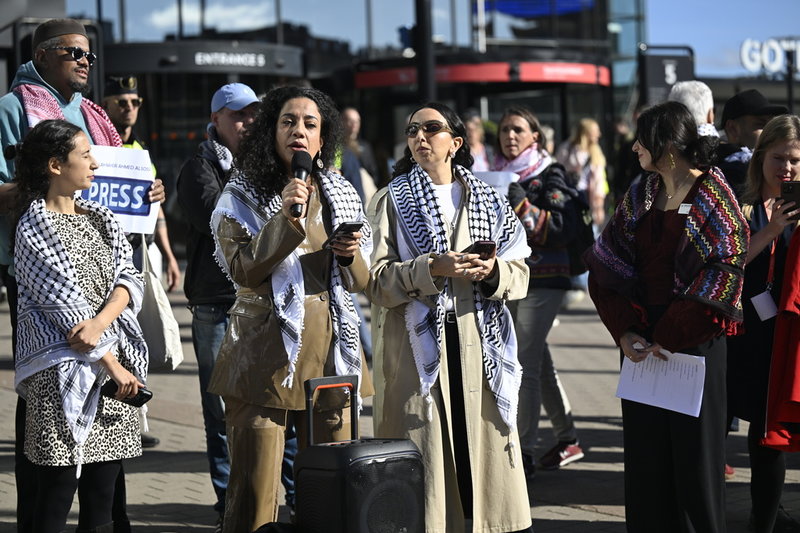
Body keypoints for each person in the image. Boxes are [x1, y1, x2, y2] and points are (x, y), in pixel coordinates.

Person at [0, 18, 164, 533]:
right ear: (44, 55)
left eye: (90, 55)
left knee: (106, 440)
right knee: (49, 411)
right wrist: (38, 191)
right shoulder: (14, 107)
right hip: (43, 270)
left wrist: (143, 192)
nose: (85, 61)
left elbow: (105, 177)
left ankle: (110, 519)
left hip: (99, 266)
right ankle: (37, 517)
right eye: (73, 52)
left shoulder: (92, 115)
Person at [208, 85, 373, 532]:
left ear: (323, 140)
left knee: (331, 491)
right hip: (263, 358)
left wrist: (347, 255)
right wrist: (286, 218)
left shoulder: (340, 192)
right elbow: (243, 270)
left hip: (330, 358)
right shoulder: (240, 194)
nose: (299, 130)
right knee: (255, 496)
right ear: (270, 131)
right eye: (288, 121)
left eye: (310, 123)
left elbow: (362, 282)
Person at [368, 102, 533, 533]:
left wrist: (493, 271)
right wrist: (429, 270)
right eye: (411, 130)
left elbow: (520, 272)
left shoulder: (489, 200)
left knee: (479, 457)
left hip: (480, 348)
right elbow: (374, 281)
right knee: (427, 461)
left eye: (431, 128)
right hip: (418, 357)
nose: (419, 136)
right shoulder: (390, 200)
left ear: (455, 142)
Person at [585, 100, 749, 532]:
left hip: (694, 342)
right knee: (646, 462)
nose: (635, 147)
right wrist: (624, 331)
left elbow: (725, 270)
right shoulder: (641, 192)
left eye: (643, 138)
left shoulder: (714, 196)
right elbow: (605, 264)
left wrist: (672, 333)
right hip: (640, 345)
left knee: (696, 463)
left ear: (668, 146)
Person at [11, 119, 148, 533]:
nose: (94, 162)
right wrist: (113, 365)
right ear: (55, 165)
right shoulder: (33, 228)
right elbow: (67, 313)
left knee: (101, 501)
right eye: (84, 154)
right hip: (59, 380)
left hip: (111, 376)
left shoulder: (101, 218)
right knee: (53, 497)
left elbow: (130, 276)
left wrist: (104, 328)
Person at [176, 82, 258, 530]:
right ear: (218, 121)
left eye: (253, 115)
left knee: (269, 405)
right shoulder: (198, 167)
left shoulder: (266, 165)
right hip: (216, 305)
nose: (248, 123)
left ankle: (283, 494)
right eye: (239, 115)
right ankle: (229, 499)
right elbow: (215, 217)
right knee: (221, 411)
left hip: (259, 301)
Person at [493, 106, 585, 474]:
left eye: (517, 130)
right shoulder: (495, 173)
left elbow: (560, 227)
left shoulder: (550, 173)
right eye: (504, 130)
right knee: (537, 361)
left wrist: (519, 203)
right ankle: (568, 439)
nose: (509, 136)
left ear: (535, 136)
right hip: (509, 279)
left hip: (544, 281)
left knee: (522, 364)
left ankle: (523, 452)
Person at [727, 114, 800, 533]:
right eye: (778, 158)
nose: (786, 169)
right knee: (763, 429)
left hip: (794, 334)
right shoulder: (744, 205)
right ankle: (763, 518)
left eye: (794, 160)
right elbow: (730, 262)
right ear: (761, 159)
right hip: (754, 335)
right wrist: (773, 229)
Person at [102, 75, 181, 294]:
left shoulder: (141, 149)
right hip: (107, 252)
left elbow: (156, 207)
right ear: (105, 105)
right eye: (121, 102)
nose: (129, 107)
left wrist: (169, 256)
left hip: (143, 248)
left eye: (135, 102)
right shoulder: (95, 146)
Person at [717, 89, 788, 199]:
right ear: (732, 128)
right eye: (761, 124)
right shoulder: (726, 174)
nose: (770, 132)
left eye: (771, 125)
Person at [555, 117, 608, 228]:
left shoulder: (596, 151)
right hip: (570, 195)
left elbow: (599, 182)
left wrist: (599, 207)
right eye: (596, 131)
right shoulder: (568, 149)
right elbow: (557, 170)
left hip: (589, 197)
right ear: (586, 133)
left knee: (590, 229)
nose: (599, 134)